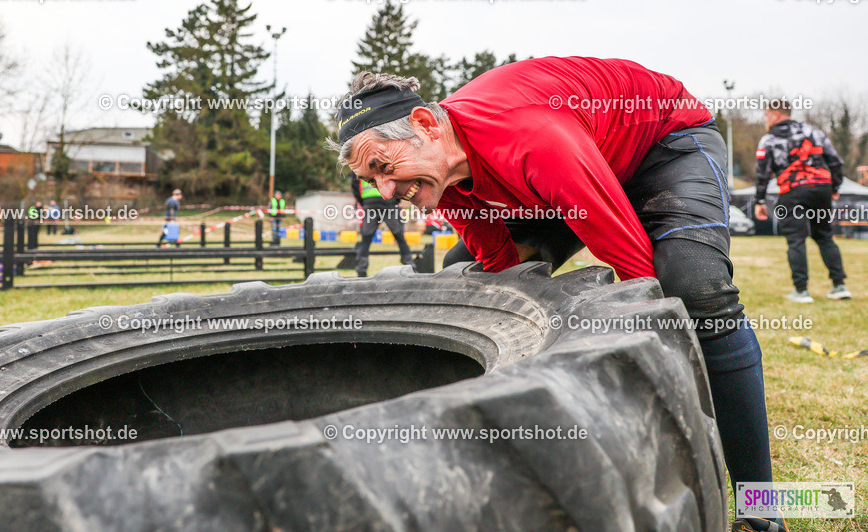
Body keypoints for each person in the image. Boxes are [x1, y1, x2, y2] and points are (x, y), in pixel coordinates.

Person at [330, 58, 786, 532]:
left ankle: (763, 509)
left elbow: (637, 274)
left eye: (384, 168)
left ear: (425, 125)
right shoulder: (441, 171)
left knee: (693, 288)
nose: (385, 191)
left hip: (664, 145)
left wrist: (651, 370)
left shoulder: (530, 138)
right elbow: (501, 267)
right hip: (570, 167)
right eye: (372, 180)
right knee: (464, 273)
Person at [754, 101, 851, 302]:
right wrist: (833, 188)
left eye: (766, 115)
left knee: (796, 239)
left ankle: (801, 291)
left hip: (793, 190)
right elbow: (836, 162)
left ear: (776, 115)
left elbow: (762, 173)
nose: (765, 120)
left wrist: (759, 200)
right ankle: (839, 285)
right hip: (821, 188)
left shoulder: (769, 139)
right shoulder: (813, 131)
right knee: (825, 236)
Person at [350, 171, 413, 278]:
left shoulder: (359, 159)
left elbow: (354, 183)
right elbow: (397, 177)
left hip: (370, 203)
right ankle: (411, 266)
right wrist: (397, 199)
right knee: (399, 236)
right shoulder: (386, 156)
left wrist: (363, 201)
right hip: (389, 202)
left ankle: (361, 270)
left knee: (366, 238)